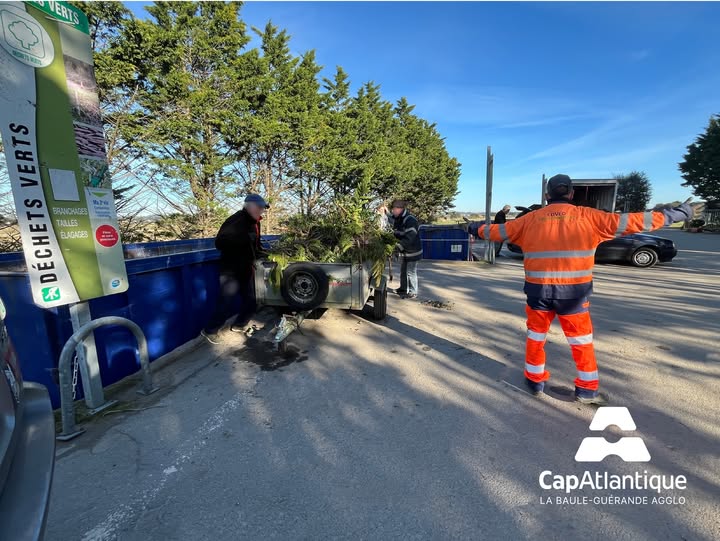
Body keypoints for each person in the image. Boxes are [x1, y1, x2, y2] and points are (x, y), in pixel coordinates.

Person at [467, 174, 703, 404]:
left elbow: (495, 232)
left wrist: (474, 227)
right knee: (581, 341)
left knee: (535, 337)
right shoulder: (590, 217)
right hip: (574, 295)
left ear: (547, 195)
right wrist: (680, 212)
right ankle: (586, 390)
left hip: (538, 293)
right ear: (571, 193)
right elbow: (638, 221)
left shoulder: (529, 220)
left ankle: (534, 380)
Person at [201, 194, 270, 344]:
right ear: (250, 206)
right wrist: (242, 240)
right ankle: (210, 331)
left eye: (263, 208)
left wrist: (262, 252)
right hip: (231, 269)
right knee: (226, 300)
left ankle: (239, 325)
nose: (262, 211)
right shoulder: (236, 220)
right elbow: (220, 242)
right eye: (260, 207)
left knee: (252, 299)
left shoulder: (255, 222)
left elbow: (254, 244)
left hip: (245, 267)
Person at [391, 199, 422, 299]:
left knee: (411, 272)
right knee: (403, 271)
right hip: (405, 251)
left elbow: (410, 237)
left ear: (399, 209)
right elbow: (398, 232)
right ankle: (403, 289)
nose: (392, 211)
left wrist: (398, 247)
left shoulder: (410, 220)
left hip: (413, 251)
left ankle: (413, 292)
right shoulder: (399, 218)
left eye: (394, 209)